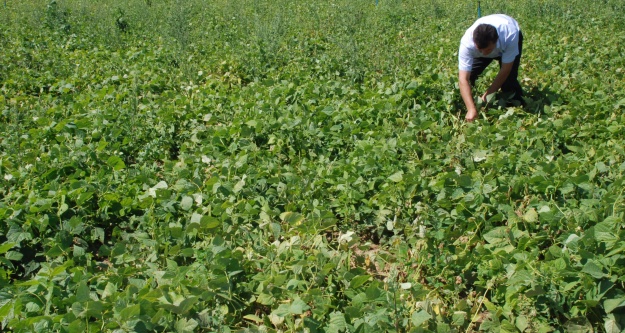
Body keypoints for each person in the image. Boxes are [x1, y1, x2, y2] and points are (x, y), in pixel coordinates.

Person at [458, 14, 524, 122]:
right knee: (470, 75)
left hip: (508, 40)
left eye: (487, 50)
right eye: (480, 50)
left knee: (508, 81)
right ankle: (471, 102)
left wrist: (488, 94)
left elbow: (505, 70)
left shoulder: (510, 35)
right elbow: (463, 79)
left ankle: (517, 108)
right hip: (484, 44)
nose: (484, 53)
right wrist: (471, 108)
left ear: (496, 41)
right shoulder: (467, 43)